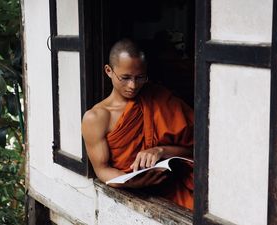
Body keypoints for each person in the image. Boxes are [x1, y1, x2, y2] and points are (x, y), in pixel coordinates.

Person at [81, 39, 194, 210]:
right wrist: (134, 183)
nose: (133, 86)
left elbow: (198, 150)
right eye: (125, 78)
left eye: (140, 77)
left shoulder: (159, 98)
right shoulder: (96, 118)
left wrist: (161, 150)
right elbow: (102, 170)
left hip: (174, 190)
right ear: (109, 71)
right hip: (131, 196)